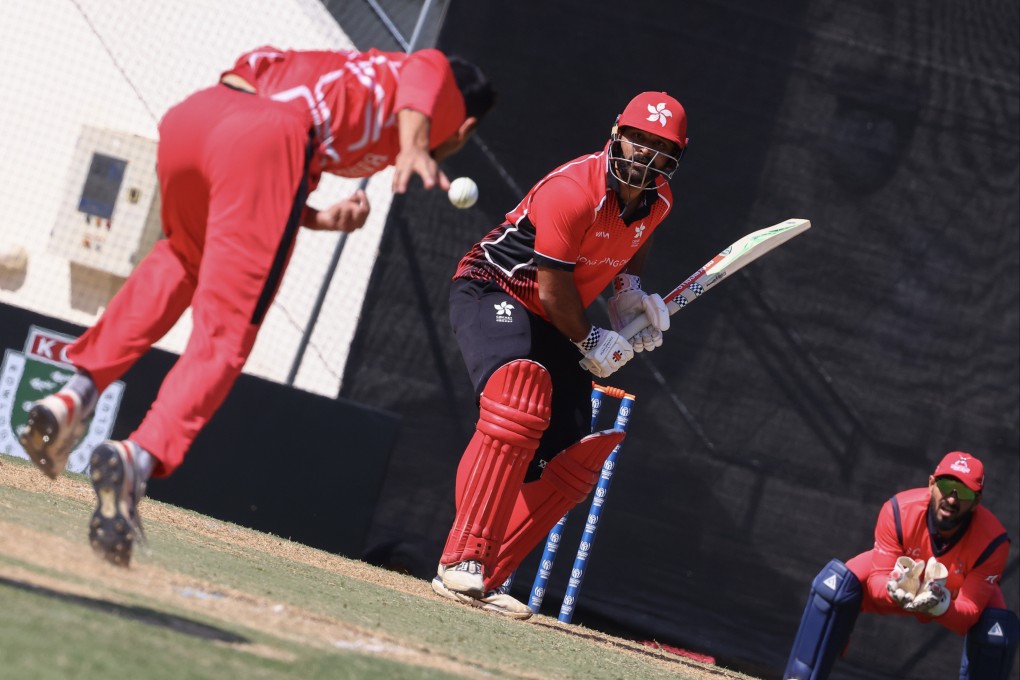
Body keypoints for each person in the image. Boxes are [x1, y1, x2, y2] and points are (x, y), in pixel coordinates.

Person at [18, 45, 495, 567]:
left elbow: (256, 155)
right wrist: (415, 144)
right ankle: (137, 457)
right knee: (226, 333)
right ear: (465, 128)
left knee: (179, 258)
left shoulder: (338, 67)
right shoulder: (441, 101)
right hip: (268, 142)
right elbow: (426, 64)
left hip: (198, 119)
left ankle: (73, 397)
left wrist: (316, 217)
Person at [429, 91, 688, 618]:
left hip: (553, 315)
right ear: (616, 133)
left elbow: (632, 243)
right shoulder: (573, 189)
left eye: (658, 146)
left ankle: (489, 574)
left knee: (569, 453)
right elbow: (552, 290)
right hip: (494, 289)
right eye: (637, 138)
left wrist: (627, 295)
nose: (643, 153)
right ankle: (461, 560)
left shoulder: (658, 201)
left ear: (672, 159)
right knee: (518, 399)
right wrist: (593, 339)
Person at [784, 451, 1018, 680]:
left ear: (977, 501)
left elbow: (969, 612)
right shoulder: (898, 510)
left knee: (998, 631)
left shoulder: (993, 541)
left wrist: (940, 604)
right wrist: (894, 588)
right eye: (946, 486)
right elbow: (877, 581)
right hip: (900, 581)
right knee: (833, 586)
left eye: (964, 492)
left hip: (955, 591)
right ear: (931, 484)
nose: (952, 499)